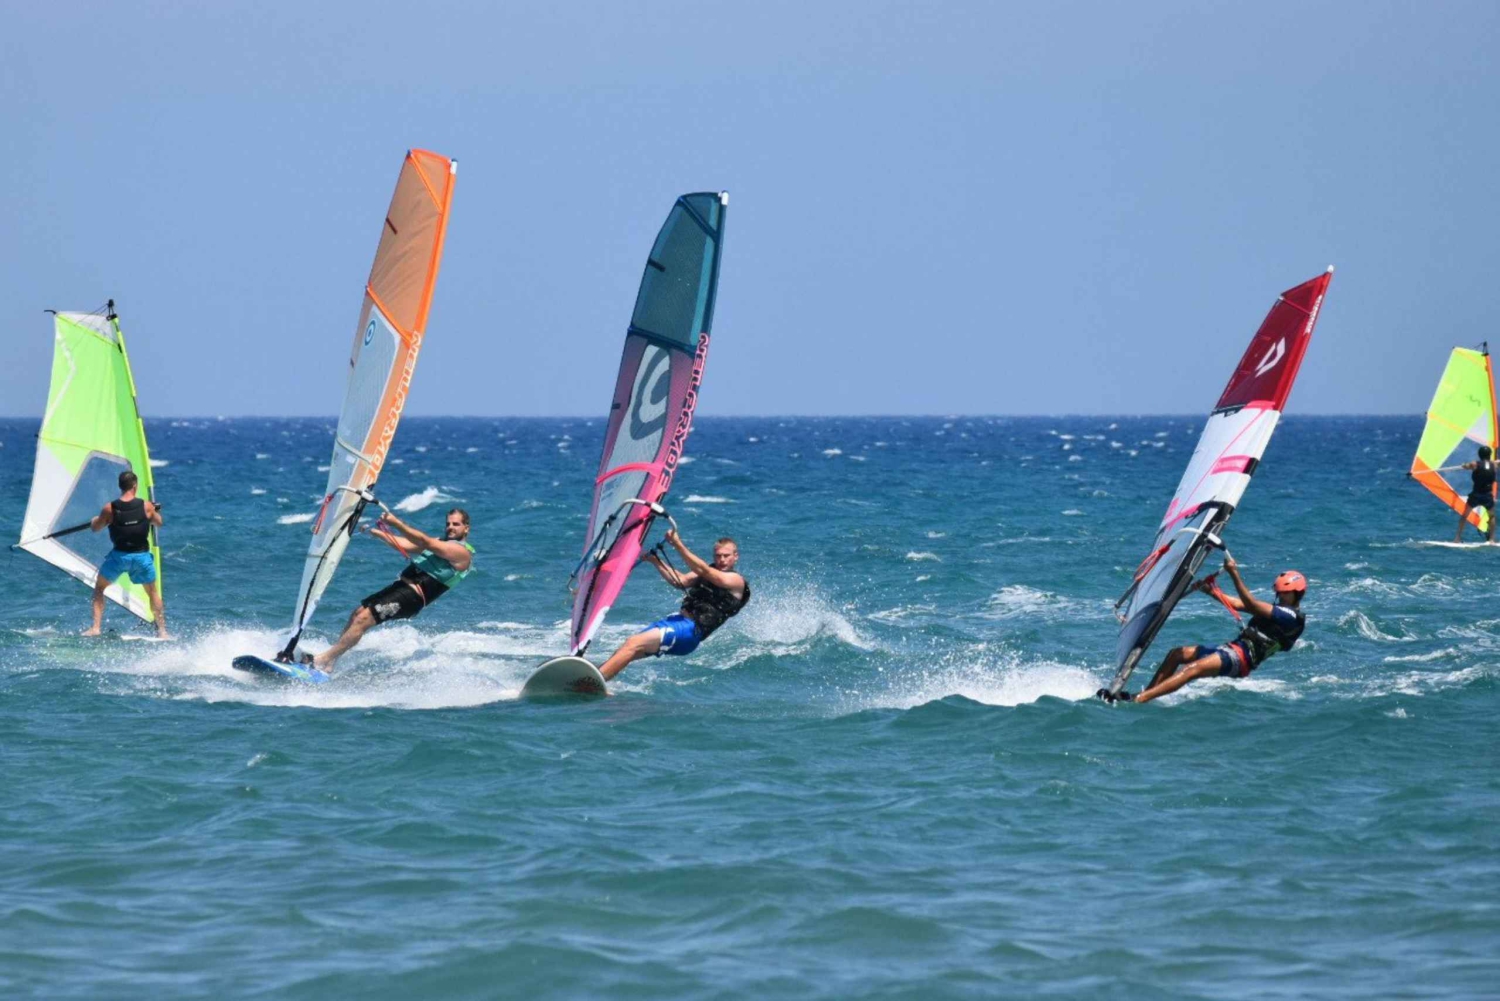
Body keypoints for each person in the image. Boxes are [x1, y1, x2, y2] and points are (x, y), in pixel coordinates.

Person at [290, 507, 474, 670]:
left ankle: (322, 660)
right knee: (357, 613)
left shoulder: (461, 553)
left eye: (456, 524)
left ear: (466, 527)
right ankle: (330, 663)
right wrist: (376, 532)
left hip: (412, 597)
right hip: (400, 589)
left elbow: (425, 542)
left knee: (363, 619)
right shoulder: (442, 542)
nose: (450, 527)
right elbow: (407, 545)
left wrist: (396, 523)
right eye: (448, 523)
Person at [1121, 556, 1305, 704]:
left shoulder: (1291, 617)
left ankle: (1138, 699)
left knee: (1192, 669)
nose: (1280, 596)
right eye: (1279, 593)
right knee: (1176, 654)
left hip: (1241, 660)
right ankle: (1146, 696)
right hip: (1232, 648)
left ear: (1297, 594)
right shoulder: (1279, 610)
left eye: (1285, 593)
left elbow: (1251, 603)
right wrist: (1210, 591)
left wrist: (1234, 574)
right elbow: (1237, 603)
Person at [596, 531, 749, 681]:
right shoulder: (709, 571)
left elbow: (704, 570)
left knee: (633, 644)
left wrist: (677, 543)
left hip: (690, 631)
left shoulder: (736, 581)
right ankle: (597, 676)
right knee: (628, 648)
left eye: (726, 556)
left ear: (735, 557)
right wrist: (656, 561)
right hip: (677, 622)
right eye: (718, 555)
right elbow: (680, 581)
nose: (722, 560)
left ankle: (594, 681)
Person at [83, 470, 167, 638]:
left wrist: (94, 520)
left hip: (119, 557)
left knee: (99, 588)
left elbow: (96, 527)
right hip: (142, 557)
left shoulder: (109, 508)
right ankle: (163, 632)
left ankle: (95, 628)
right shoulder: (146, 506)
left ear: (120, 486)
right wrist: (153, 510)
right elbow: (159, 523)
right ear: (135, 486)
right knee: (152, 593)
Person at [1454, 444, 1496, 543]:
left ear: (1480, 455)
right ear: (1489, 455)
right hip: (1487, 495)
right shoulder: (1494, 464)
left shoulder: (1475, 464)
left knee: (1464, 515)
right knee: (1492, 516)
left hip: (1476, 494)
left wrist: (1464, 465)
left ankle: (1457, 538)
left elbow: (1467, 466)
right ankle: (1492, 539)